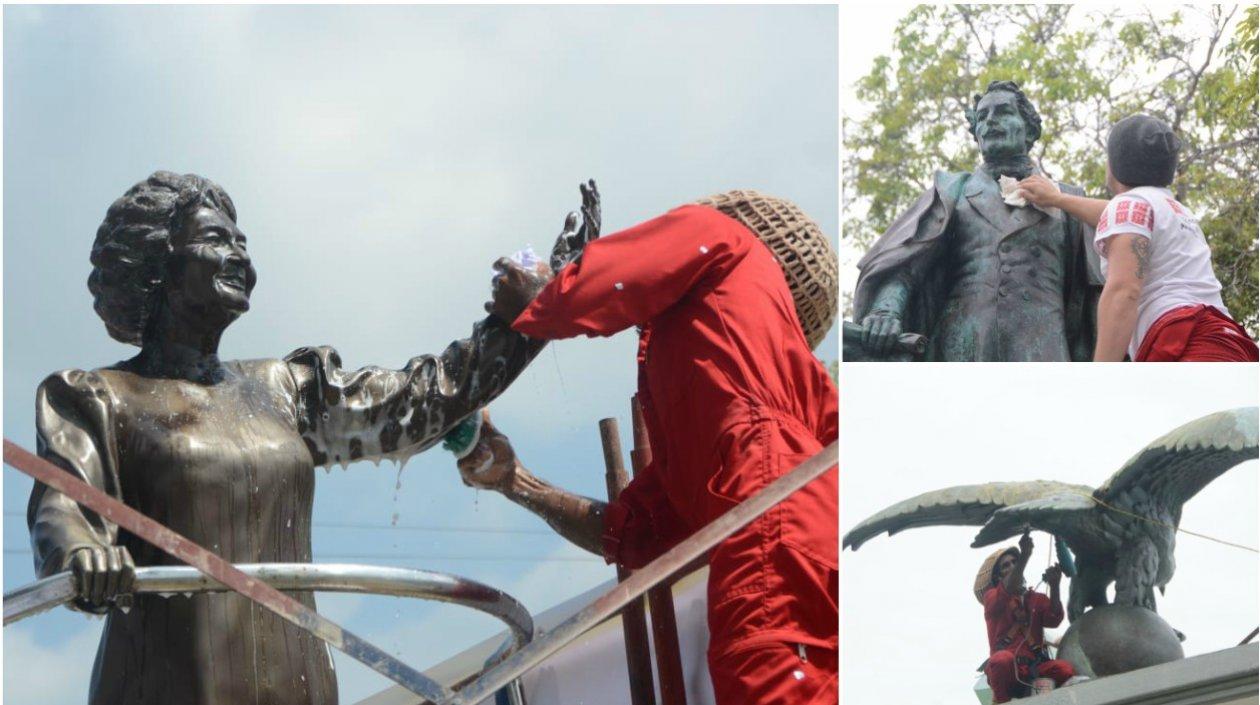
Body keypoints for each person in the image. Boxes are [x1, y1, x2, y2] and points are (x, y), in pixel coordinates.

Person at [27, 171, 594, 705]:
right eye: (214, 239)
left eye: (242, 241)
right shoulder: (100, 397)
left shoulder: (285, 388)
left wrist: (536, 311)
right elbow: (64, 506)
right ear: (158, 266)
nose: (239, 255)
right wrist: (80, 552)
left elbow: (424, 400)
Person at [459, 190, 839, 704]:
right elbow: (637, 533)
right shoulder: (732, 422)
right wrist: (515, 481)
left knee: (763, 673)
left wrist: (541, 297)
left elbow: (616, 277)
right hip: (810, 542)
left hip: (769, 530)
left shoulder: (722, 234)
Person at [852, 80, 1101, 362]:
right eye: (982, 117)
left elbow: (1094, 297)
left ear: (1030, 129)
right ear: (976, 134)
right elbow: (906, 264)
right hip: (963, 347)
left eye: (1004, 112)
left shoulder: (1068, 199)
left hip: (1043, 349)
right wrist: (886, 310)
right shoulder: (952, 192)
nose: (991, 121)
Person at [1017, 114, 1257, 362]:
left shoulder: (1130, 207)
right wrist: (1058, 199)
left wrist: (1100, 379)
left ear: (1117, 163)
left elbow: (1124, 291)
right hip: (1229, 344)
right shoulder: (1175, 211)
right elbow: (1113, 214)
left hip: (1185, 348)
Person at [976, 534, 1075, 703]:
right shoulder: (992, 598)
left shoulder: (1034, 598)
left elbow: (1054, 619)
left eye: (1015, 562)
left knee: (1063, 669)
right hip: (1007, 671)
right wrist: (1025, 556)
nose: (1013, 567)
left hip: (1033, 668)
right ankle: (1002, 702)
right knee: (1001, 660)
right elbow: (1007, 589)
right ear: (998, 578)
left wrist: (1055, 586)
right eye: (1006, 566)